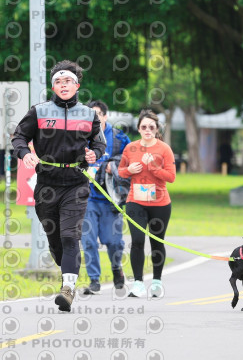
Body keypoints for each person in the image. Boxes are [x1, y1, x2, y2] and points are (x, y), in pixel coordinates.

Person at [12, 60, 106, 312]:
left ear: (77, 85)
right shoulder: (39, 111)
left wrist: (94, 154)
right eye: (58, 82)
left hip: (76, 183)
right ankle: (67, 272)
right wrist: (24, 153)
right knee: (55, 241)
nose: (63, 85)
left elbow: (99, 144)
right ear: (53, 87)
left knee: (70, 235)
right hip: (47, 185)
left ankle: (68, 289)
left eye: (68, 81)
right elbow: (19, 136)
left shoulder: (88, 114)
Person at [118, 109, 176, 298]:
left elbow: (171, 177)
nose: (147, 130)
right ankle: (138, 283)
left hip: (160, 204)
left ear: (157, 129)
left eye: (151, 127)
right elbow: (120, 171)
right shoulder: (130, 148)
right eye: (144, 127)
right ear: (139, 129)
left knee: (156, 242)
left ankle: (157, 281)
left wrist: (154, 167)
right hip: (136, 202)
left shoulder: (164, 149)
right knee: (137, 241)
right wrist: (129, 170)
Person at [81, 100, 131, 294]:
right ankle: (94, 280)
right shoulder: (80, 137)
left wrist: (114, 166)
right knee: (88, 241)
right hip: (87, 198)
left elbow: (130, 161)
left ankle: (117, 268)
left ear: (105, 116)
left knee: (113, 241)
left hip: (111, 198)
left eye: (97, 115)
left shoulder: (119, 138)